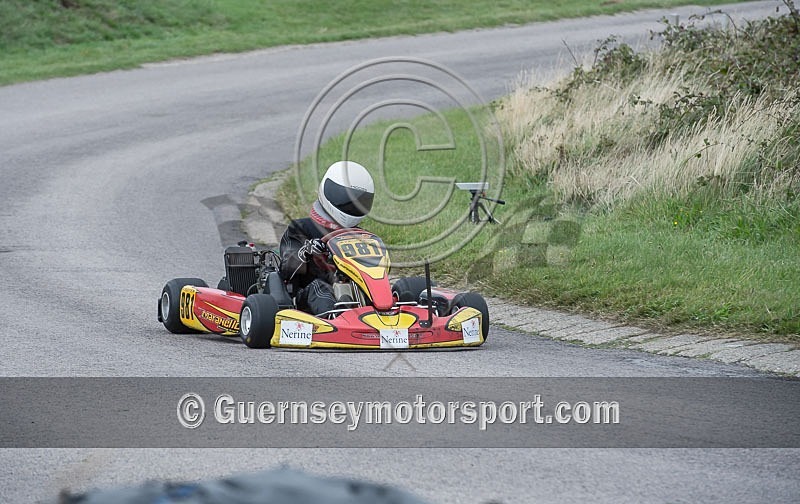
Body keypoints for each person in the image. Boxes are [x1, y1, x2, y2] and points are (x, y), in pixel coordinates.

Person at [279, 161, 375, 315]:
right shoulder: (300, 228)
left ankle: (390, 314)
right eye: (346, 198)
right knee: (320, 288)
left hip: (353, 293)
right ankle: (337, 320)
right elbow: (287, 270)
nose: (351, 205)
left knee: (383, 289)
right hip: (306, 295)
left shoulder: (360, 235)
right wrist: (306, 251)